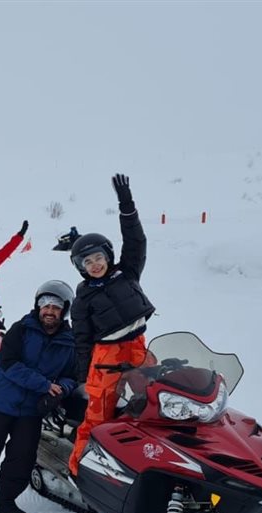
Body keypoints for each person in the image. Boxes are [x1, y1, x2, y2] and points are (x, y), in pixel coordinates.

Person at [0, 280, 80, 513]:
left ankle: (5, 501)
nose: (49, 310)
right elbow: (9, 364)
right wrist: (44, 385)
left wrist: (60, 390)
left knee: (22, 458)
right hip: (0, 401)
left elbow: (72, 377)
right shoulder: (21, 328)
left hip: (32, 409)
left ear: (64, 310)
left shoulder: (70, 341)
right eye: (45, 304)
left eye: (55, 306)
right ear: (37, 305)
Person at [67, 174, 156, 475]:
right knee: (98, 416)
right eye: (86, 262)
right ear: (80, 268)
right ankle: (79, 468)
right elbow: (81, 340)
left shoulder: (127, 272)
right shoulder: (82, 300)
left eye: (97, 257)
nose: (94, 265)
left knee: (154, 406)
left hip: (139, 348)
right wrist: (83, 377)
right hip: (106, 358)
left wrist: (126, 204)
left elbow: (136, 240)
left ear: (107, 255)